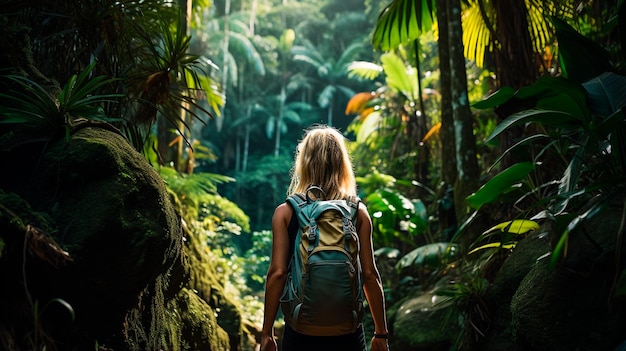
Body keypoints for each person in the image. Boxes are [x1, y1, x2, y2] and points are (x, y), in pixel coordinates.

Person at [260, 125, 390, 351]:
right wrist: (381, 333)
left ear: (304, 162)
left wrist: (267, 333)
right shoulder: (357, 212)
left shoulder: (286, 212)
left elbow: (277, 273)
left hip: (301, 330)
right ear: (342, 163)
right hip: (347, 329)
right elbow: (369, 274)